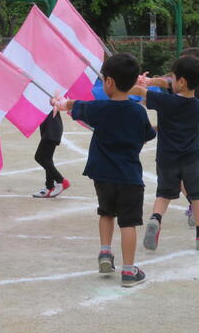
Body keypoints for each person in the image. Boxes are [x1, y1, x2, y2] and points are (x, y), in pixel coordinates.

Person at [55, 53, 155, 287]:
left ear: (109, 82)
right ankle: (129, 271)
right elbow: (148, 134)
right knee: (128, 223)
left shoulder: (99, 108)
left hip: (102, 175)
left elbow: (75, 106)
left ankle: (105, 252)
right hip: (129, 177)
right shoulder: (138, 112)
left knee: (106, 213)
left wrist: (61, 103)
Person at [132, 56, 199, 252]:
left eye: (173, 77)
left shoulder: (164, 101)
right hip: (192, 159)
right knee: (197, 196)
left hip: (166, 158)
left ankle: (155, 219)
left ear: (181, 81)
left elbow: (140, 92)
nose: (170, 80)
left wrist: (132, 84)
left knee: (164, 194)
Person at [31, 110, 71, 198]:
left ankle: (61, 181)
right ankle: (49, 187)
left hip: (51, 129)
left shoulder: (46, 97)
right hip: (51, 128)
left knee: (39, 157)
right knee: (47, 158)